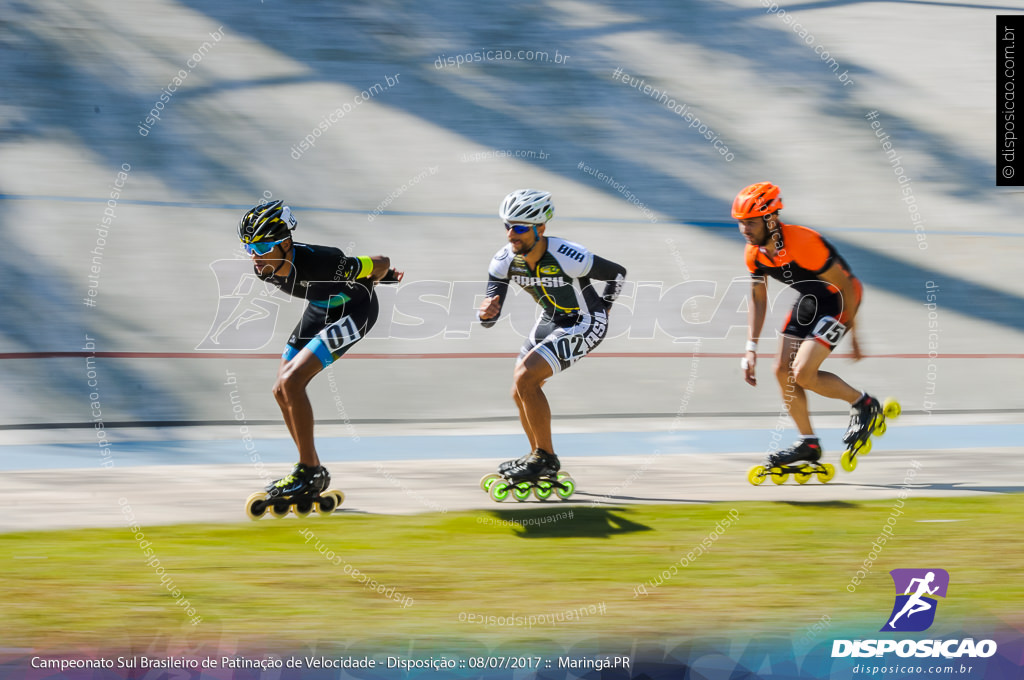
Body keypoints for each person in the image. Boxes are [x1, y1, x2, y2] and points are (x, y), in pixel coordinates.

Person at [237, 200, 401, 500]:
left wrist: (384, 273)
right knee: (280, 389)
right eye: (248, 248)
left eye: (261, 249)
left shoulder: (323, 263)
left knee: (292, 382)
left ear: (285, 243)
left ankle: (309, 469)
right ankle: (310, 471)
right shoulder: (267, 266)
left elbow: (382, 260)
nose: (254, 258)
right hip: (321, 308)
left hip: (355, 310)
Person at [478, 189, 626, 481]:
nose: (511, 235)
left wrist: (605, 308)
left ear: (540, 228)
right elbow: (488, 318)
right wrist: (486, 313)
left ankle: (546, 458)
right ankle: (537, 457)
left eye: (520, 228)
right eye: (508, 226)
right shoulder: (503, 261)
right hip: (553, 319)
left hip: (584, 322)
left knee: (526, 378)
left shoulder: (570, 255)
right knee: (518, 388)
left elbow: (617, 274)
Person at [735, 182, 882, 469]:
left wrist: (855, 335)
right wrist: (750, 348)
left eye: (750, 223)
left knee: (802, 373)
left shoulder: (802, 243)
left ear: (771, 218)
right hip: (812, 299)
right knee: (780, 370)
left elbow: (845, 287)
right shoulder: (753, 253)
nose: (745, 230)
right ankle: (809, 443)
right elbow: (758, 299)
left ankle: (864, 404)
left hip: (840, 301)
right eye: (741, 224)